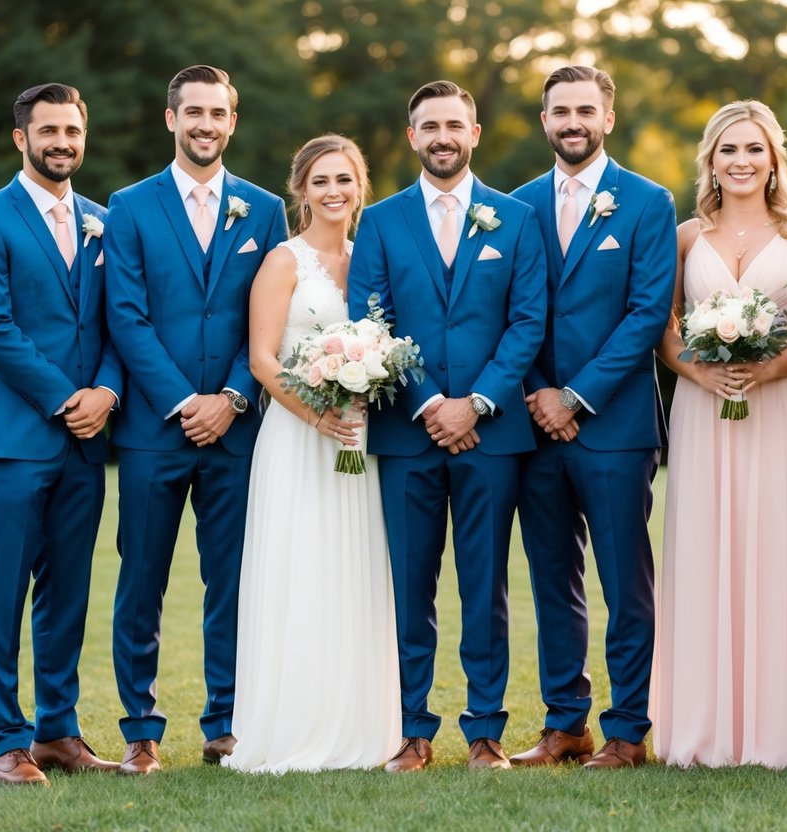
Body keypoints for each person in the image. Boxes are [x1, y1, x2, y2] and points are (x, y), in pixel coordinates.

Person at [347, 80, 547, 772]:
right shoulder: (379, 221)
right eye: (428, 125)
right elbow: (371, 323)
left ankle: (485, 729)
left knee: (484, 586)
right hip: (408, 434)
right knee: (409, 585)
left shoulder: (515, 219)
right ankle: (412, 728)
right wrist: (433, 404)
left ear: (474, 133)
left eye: (453, 125)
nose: (441, 136)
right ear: (411, 137)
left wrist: (479, 403)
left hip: (493, 436)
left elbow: (527, 323)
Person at [104, 65, 288, 774]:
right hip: (155, 431)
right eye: (194, 113)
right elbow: (125, 315)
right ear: (170, 119)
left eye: (218, 113)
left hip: (239, 432)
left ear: (232, 122)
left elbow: (265, 319)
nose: (206, 124)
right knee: (141, 582)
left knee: (233, 583)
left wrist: (234, 397)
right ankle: (140, 728)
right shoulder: (128, 205)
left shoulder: (264, 208)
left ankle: (225, 722)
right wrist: (186, 402)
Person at [649, 100, 787, 768]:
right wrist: (696, 375)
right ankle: (705, 728)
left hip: (782, 408)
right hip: (704, 414)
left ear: (773, 159)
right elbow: (664, 327)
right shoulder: (685, 235)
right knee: (706, 549)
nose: (740, 162)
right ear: (711, 159)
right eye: (728, 150)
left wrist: (771, 367)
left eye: (754, 149)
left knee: (782, 549)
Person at [0, 82, 122, 784]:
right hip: (16, 435)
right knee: (2, 588)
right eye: (48, 130)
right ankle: (5, 740)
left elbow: (121, 321)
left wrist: (107, 391)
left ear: (84, 136)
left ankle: (58, 731)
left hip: (87, 439)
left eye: (72, 131)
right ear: (21, 137)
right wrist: (65, 398)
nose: (62, 142)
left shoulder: (103, 221)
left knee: (67, 591)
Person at [510, 65, 675, 769]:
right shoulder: (513, 206)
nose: (571, 121)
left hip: (613, 426)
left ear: (606, 117)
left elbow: (646, 314)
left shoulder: (646, 202)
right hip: (531, 425)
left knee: (622, 582)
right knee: (552, 581)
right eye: (558, 111)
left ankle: (627, 728)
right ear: (543, 120)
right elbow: (509, 313)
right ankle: (564, 722)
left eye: (584, 109)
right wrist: (540, 396)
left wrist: (573, 397)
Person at [222, 135, 401, 773]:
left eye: (345, 180)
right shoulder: (283, 261)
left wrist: (360, 395)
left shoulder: (371, 257)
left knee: (354, 571)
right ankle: (294, 725)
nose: (334, 192)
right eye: (321, 180)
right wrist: (315, 412)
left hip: (359, 437)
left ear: (361, 188)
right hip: (300, 439)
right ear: (301, 189)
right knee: (301, 571)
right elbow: (262, 360)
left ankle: (359, 727)